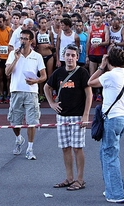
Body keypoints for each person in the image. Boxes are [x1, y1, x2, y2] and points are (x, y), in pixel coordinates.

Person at [44, 44, 92, 191]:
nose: (70, 58)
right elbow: (47, 87)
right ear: (63, 56)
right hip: (62, 116)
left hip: (77, 116)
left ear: (77, 57)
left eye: (73, 55)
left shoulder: (82, 73)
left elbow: (89, 94)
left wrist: (85, 115)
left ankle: (80, 179)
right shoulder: (58, 72)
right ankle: (69, 178)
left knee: (78, 148)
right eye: (68, 55)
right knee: (65, 148)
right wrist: (51, 103)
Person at [88, 47, 124, 203]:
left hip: (112, 119)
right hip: (123, 117)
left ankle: (115, 193)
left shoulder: (110, 75)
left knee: (109, 155)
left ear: (109, 61)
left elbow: (90, 82)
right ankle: (118, 185)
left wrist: (101, 66)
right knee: (109, 153)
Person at [5, 29, 46, 160]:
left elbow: (44, 76)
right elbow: (7, 72)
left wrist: (36, 80)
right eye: (21, 38)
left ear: (31, 41)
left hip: (31, 92)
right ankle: (18, 139)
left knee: (32, 121)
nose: (22, 41)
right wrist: (16, 59)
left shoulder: (37, 56)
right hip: (16, 90)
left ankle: (30, 148)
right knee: (14, 122)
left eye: (25, 39)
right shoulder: (13, 54)